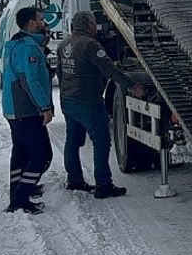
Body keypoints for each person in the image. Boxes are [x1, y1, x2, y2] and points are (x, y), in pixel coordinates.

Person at [57, 11, 142, 199]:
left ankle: (74, 179)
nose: (96, 26)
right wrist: (132, 86)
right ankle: (103, 184)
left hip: (69, 100)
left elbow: (60, 73)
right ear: (88, 25)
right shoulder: (90, 45)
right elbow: (110, 70)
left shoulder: (64, 44)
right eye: (94, 23)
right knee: (101, 142)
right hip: (88, 101)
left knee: (72, 141)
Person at [1, 6, 55, 214]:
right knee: (42, 155)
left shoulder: (18, 44)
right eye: (41, 19)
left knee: (21, 152)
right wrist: (44, 106)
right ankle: (21, 198)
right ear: (32, 24)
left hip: (15, 108)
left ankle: (19, 188)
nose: (45, 23)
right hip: (25, 110)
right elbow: (29, 80)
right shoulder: (27, 48)